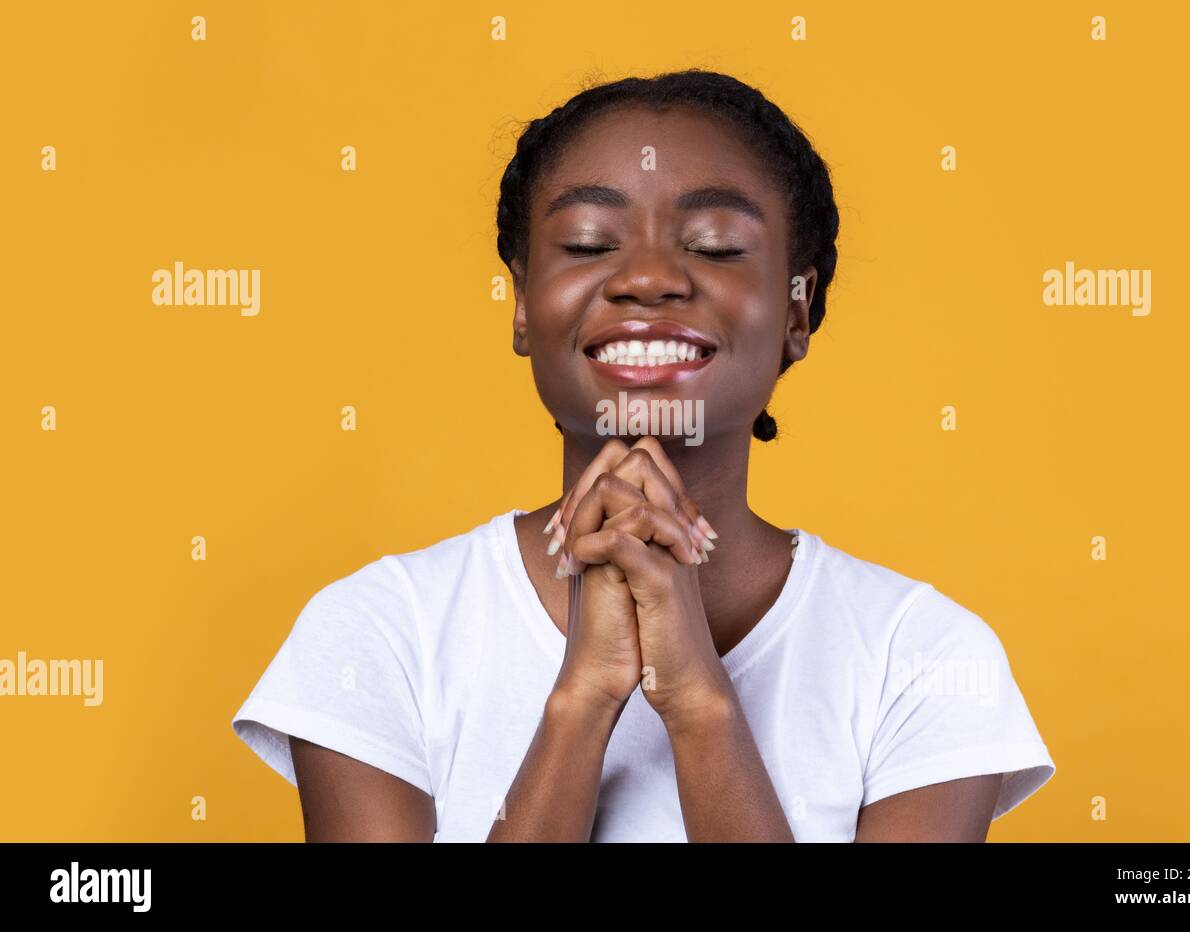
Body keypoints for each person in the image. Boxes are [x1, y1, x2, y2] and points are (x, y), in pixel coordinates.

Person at [232, 69, 1055, 842]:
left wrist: (699, 703)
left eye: (718, 246)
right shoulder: (379, 631)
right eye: (590, 244)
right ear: (521, 307)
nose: (651, 278)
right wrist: (580, 701)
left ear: (798, 313)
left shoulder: (925, 656)